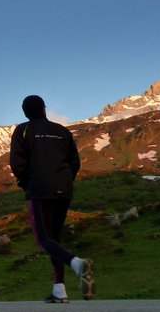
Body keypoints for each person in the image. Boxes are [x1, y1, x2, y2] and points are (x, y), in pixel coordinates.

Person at [9, 95, 95, 302]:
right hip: (63, 190)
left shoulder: (23, 130)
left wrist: (26, 182)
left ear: (25, 112)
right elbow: (75, 162)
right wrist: (64, 181)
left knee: (43, 238)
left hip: (39, 190)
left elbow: (17, 163)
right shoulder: (62, 131)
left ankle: (77, 263)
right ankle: (59, 290)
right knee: (55, 238)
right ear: (44, 109)